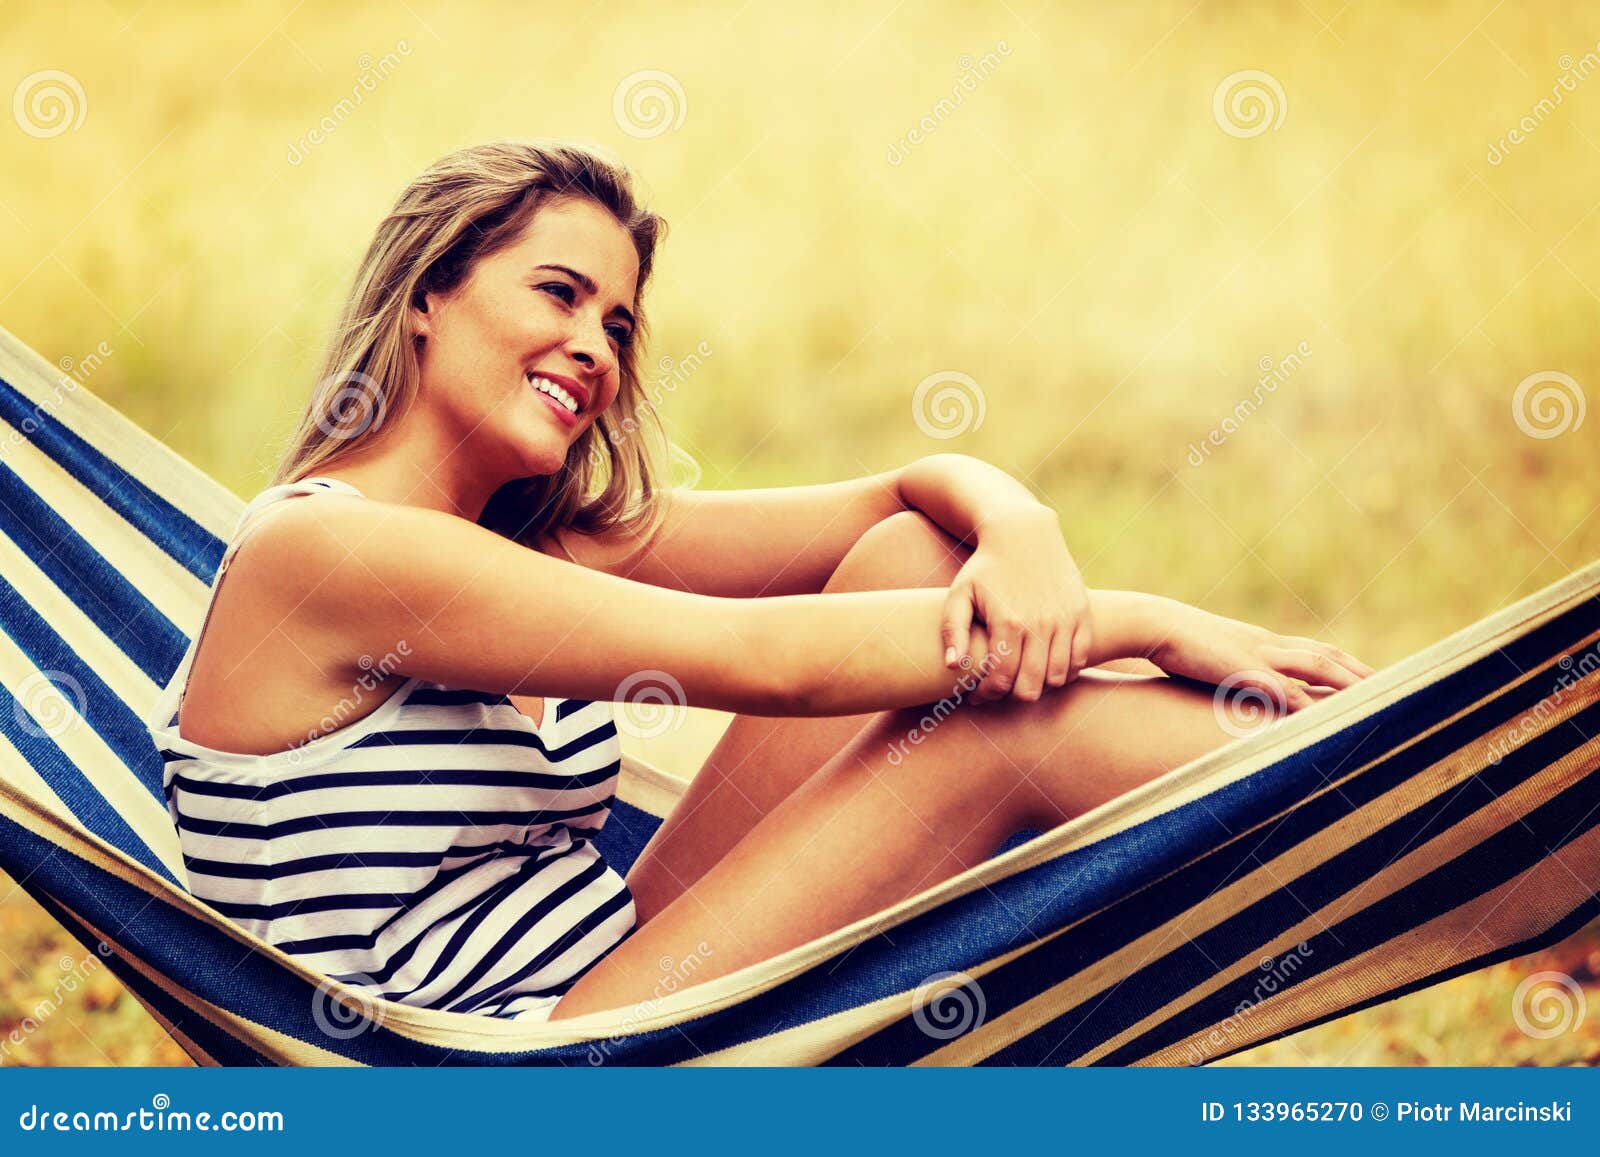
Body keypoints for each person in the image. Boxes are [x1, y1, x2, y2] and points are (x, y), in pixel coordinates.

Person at [144, 138, 1373, 1025]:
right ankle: (1408, 809)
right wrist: (1151, 623)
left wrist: (1022, 520)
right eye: (558, 294)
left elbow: (903, 499)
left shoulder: (528, 542)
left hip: (618, 967)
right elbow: (768, 664)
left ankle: (1397, 787)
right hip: (511, 1066)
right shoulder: (327, 550)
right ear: (425, 297)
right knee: (992, 735)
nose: (593, 350)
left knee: (909, 564)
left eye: (618, 326)